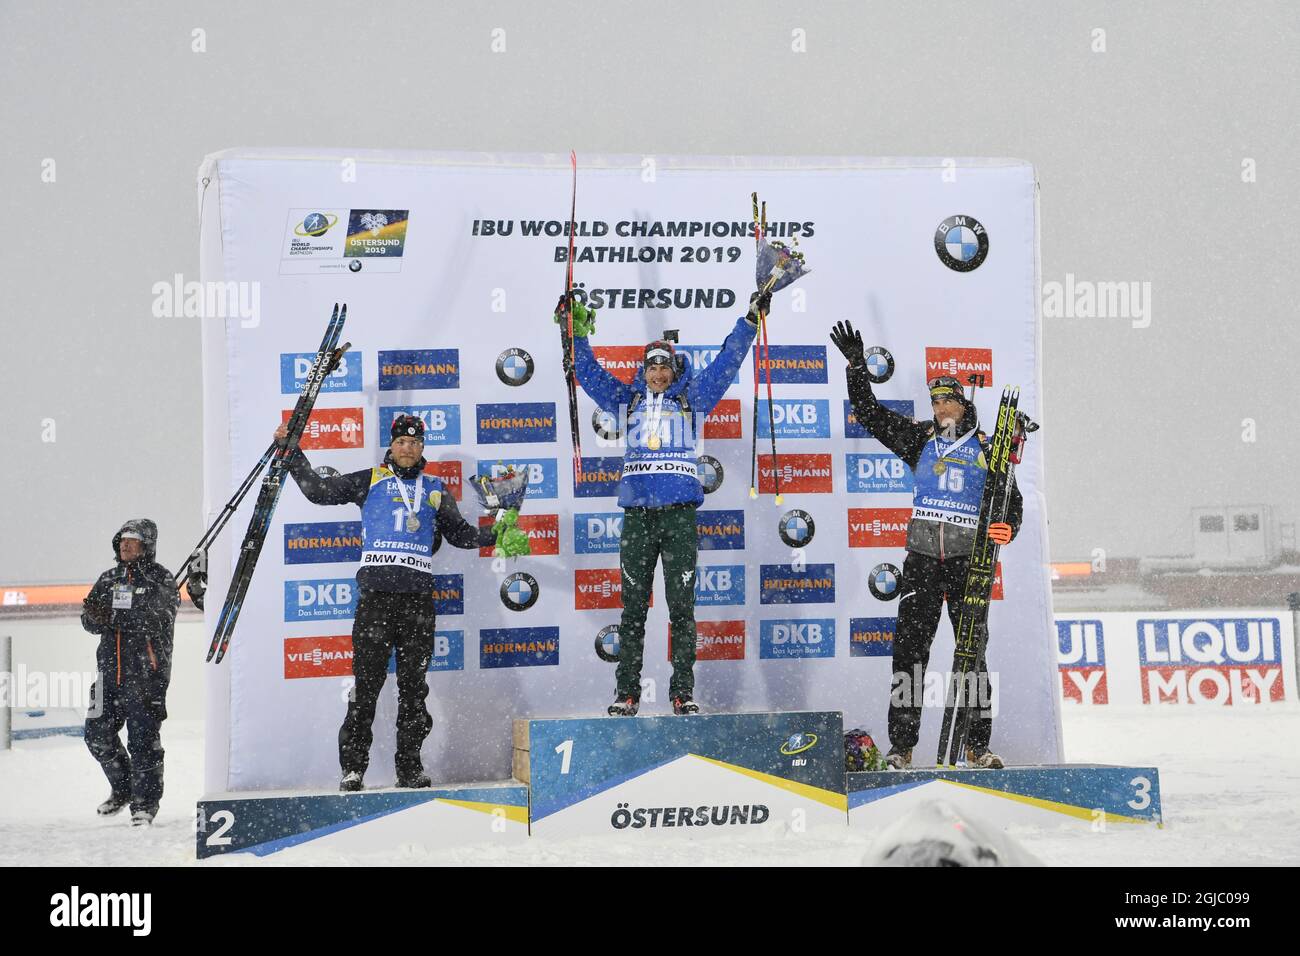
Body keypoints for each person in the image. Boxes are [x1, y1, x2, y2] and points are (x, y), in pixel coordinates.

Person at [278, 414, 524, 790]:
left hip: (417, 603)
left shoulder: (436, 488)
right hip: (375, 600)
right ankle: (353, 768)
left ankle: (409, 768)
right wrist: (291, 450)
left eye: (415, 443)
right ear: (391, 446)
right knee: (366, 686)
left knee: (413, 690)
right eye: (401, 442)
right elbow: (318, 491)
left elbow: (461, 535)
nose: (407, 448)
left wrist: (498, 532)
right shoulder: (370, 480)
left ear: (422, 447)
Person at [560, 290, 768, 716]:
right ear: (644, 370)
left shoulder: (694, 398)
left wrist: (750, 319)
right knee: (633, 607)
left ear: (674, 371)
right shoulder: (628, 401)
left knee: (682, 608)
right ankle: (627, 692)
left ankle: (682, 691)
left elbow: (728, 361)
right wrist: (573, 329)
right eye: (651, 365)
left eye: (664, 366)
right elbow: (588, 371)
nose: (657, 372)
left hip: (678, 517)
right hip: (637, 518)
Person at [832, 320, 1022, 769]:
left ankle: (977, 746)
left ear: (961, 403)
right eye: (935, 402)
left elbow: (1010, 501)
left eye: (947, 401)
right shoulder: (919, 437)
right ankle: (902, 748)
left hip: (967, 563)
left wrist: (1007, 527)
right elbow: (870, 412)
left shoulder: (987, 447)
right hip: (921, 561)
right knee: (909, 657)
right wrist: (857, 366)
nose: (940, 408)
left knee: (971, 655)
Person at [81, 519, 179, 826]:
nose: (125, 544)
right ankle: (122, 790)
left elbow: (156, 617)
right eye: (122, 539)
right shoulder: (108, 578)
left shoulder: (161, 578)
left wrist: (114, 615)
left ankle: (144, 805)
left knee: (143, 741)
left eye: (133, 540)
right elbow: (89, 619)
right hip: (108, 674)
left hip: (146, 675)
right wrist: (95, 618)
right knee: (96, 734)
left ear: (147, 544)